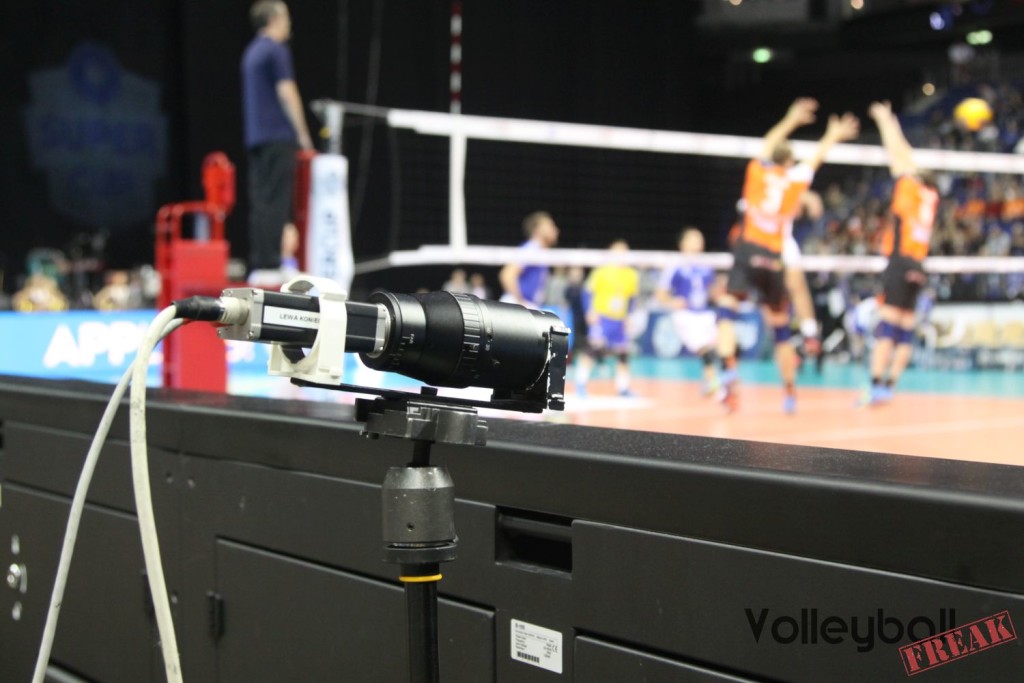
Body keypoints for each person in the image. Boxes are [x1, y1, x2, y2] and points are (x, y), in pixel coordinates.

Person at [717, 98, 859, 413]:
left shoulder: (756, 171)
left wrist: (791, 118)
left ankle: (728, 369)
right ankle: (791, 393)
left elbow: (767, 143)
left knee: (726, 312)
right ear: (790, 162)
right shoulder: (795, 180)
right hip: (775, 256)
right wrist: (833, 135)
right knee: (780, 329)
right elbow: (817, 158)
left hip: (749, 247)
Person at [862, 101, 940, 406]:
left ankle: (875, 385)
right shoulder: (931, 196)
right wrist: (894, 123)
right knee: (905, 330)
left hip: (899, 261)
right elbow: (908, 157)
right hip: (918, 265)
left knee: (887, 329)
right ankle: (891, 384)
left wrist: (884, 121)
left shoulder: (909, 188)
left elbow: (899, 156)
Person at [241, 1, 313, 277]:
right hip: (277, 137)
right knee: (276, 200)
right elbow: (287, 92)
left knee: (261, 200)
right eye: (286, 19)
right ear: (274, 19)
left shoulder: (251, 52)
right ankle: (272, 263)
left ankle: (262, 261)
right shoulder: (275, 50)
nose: (289, 25)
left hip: (257, 138)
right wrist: (304, 135)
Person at [655, 228, 722, 395]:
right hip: (686, 316)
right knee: (703, 348)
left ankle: (712, 383)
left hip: (706, 314)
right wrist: (672, 302)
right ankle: (716, 385)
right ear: (683, 243)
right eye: (693, 238)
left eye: (700, 238)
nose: (698, 241)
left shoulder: (707, 265)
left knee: (720, 347)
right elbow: (661, 293)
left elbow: (713, 291)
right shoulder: (675, 264)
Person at [575, 240, 640, 398]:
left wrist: (628, 316)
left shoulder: (631, 274)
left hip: (619, 320)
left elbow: (631, 299)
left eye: (625, 251)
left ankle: (623, 388)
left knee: (623, 353)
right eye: (618, 251)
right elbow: (587, 292)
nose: (621, 255)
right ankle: (580, 384)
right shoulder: (602, 271)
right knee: (592, 349)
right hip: (602, 318)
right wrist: (590, 311)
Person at [499, 211, 559, 307]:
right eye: (550, 225)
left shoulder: (541, 253)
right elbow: (507, 274)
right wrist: (520, 302)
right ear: (537, 230)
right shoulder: (531, 249)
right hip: (516, 306)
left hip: (528, 305)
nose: (555, 229)